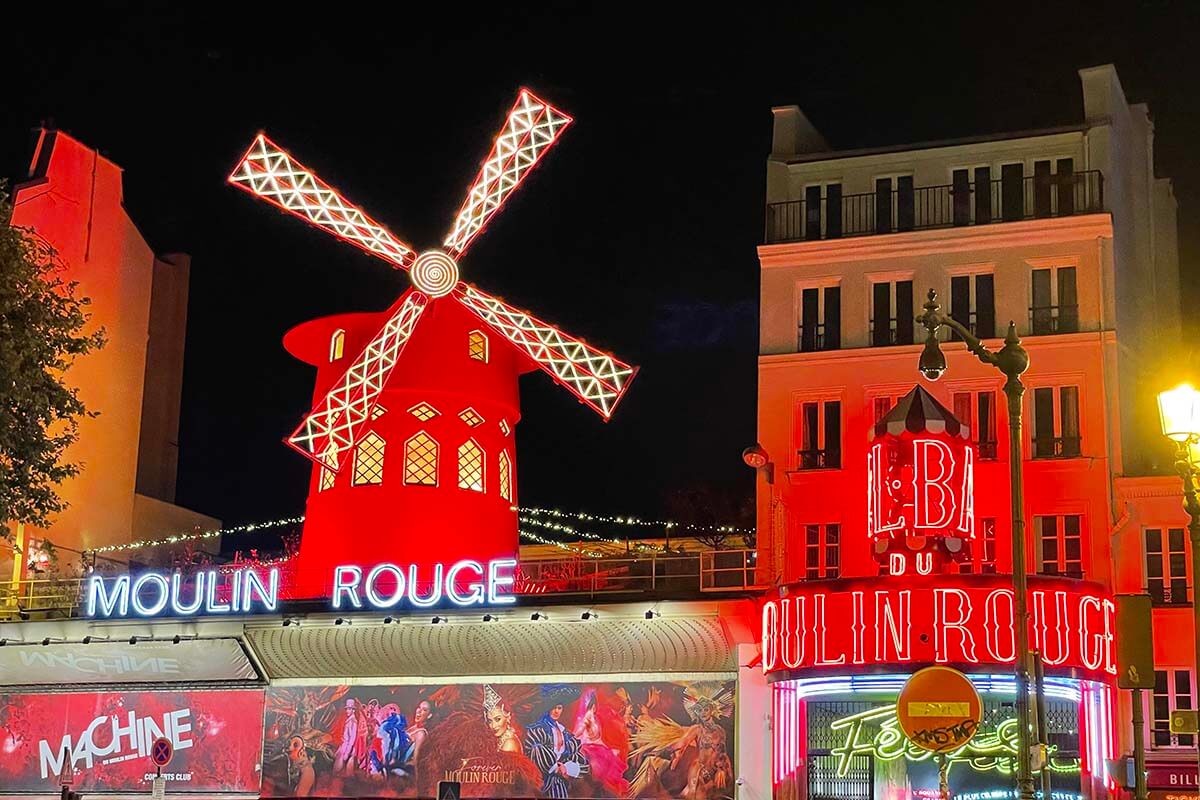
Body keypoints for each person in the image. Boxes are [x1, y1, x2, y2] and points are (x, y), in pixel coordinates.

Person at [525, 685, 588, 799]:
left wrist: (566, 768)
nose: (556, 711)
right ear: (547, 709)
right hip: (542, 784)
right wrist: (556, 768)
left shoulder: (566, 734)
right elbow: (535, 752)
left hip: (562, 783)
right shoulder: (539, 730)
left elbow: (581, 761)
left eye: (559, 708)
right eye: (553, 708)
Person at [573, 688, 629, 796]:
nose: (593, 708)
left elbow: (598, 739)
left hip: (598, 746)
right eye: (591, 705)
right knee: (605, 761)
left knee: (613, 754)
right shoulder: (587, 718)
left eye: (593, 705)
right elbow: (578, 733)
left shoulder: (596, 719)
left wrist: (609, 749)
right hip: (589, 747)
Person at [483, 684, 523, 753]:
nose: (493, 726)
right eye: (490, 721)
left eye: (498, 719)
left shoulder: (509, 743)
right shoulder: (501, 739)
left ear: (508, 717)